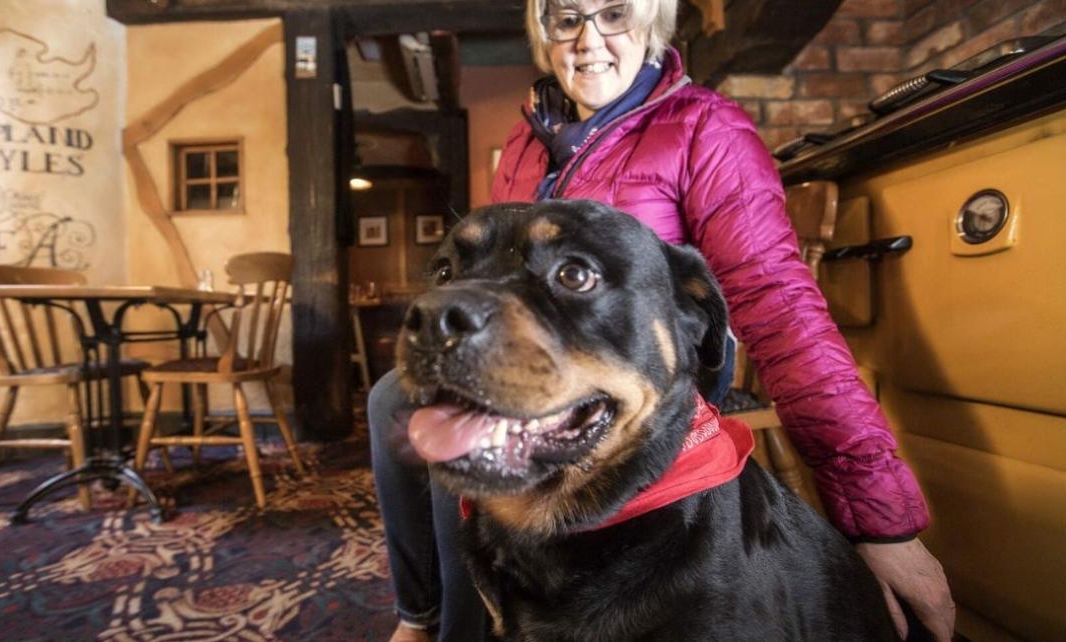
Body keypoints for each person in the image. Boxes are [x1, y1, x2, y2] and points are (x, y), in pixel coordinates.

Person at [369, 1, 956, 640]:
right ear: (544, 33)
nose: (588, 38)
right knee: (408, 406)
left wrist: (880, 517)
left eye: (614, 13)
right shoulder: (526, 142)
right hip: (545, 368)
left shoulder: (705, 127)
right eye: (566, 18)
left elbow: (780, 306)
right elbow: (493, 273)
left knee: (466, 418)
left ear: (651, 22)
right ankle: (422, 617)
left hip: (660, 389)